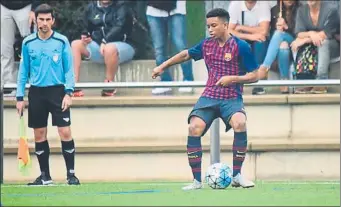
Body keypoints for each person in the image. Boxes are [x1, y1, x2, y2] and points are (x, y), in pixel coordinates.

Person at [152, 8, 267, 190]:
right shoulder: (206, 44)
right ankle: (197, 181)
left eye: (214, 25)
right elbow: (185, 54)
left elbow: (255, 75)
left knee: (240, 122)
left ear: (225, 25)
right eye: (208, 26)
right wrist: (162, 66)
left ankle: (237, 175)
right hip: (210, 96)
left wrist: (233, 79)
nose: (210, 30)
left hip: (232, 97)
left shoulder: (240, 46)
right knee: (194, 127)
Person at [16, 3, 80, 185]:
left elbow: (69, 70)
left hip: (58, 91)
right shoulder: (28, 43)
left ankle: (71, 175)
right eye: (40, 20)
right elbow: (23, 72)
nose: (44, 23)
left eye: (47, 19)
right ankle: (45, 176)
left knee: (65, 131)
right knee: (39, 134)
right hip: (36, 93)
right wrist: (19, 97)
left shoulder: (61, 41)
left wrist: (69, 93)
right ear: (35, 21)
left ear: (53, 21)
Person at [71, 0, 135, 97]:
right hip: (99, 47)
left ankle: (109, 85)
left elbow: (119, 26)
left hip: (123, 45)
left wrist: (105, 41)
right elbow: (86, 26)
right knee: (75, 44)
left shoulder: (121, 6)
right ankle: (73, 85)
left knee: (109, 48)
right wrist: (85, 35)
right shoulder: (91, 7)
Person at [146, 0, 194, 95]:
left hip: (177, 10)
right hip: (153, 10)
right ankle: (165, 81)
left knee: (180, 45)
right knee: (159, 49)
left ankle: (188, 80)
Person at [291, 0, 340, 94]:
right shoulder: (301, 10)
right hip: (312, 46)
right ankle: (306, 81)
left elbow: (326, 34)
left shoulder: (331, 10)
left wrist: (305, 40)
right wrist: (310, 33)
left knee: (323, 42)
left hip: (331, 46)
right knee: (301, 46)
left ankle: (321, 81)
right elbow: (299, 33)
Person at [228, 0, 271, 95]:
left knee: (261, 42)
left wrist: (241, 27)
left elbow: (264, 31)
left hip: (259, 38)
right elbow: (228, 31)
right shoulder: (235, 4)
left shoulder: (263, 4)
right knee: (236, 44)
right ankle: (236, 83)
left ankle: (259, 83)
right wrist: (250, 36)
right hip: (244, 37)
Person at [1, 0, 41, 96]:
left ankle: (38, 84)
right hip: (3, 7)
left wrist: (34, 9)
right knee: (4, 49)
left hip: (26, 7)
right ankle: (9, 86)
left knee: (33, 48)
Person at [261, 0, 300, 93]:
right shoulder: (275, 10)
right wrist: (276, 27)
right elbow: (271, 35)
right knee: (283, 45)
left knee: (279, 34)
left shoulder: (300, 9)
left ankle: (264, 67)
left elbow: (300, 31)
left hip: (296, 42)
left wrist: (286, 27)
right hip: (281, 46)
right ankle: (284, 81)